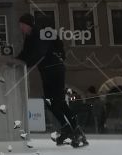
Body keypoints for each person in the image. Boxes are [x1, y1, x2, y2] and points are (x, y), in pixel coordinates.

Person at [17, 13, 87, 147]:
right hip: (47, 70)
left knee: (57, 102)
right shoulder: (30, 37)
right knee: (53, 102)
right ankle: (69, 128)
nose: (21, 28)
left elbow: (39, 53)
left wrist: (25, 64)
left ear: (28, 24)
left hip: (54, 70)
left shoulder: (39, 34)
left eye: (22, 25)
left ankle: (74, 130)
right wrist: (15, 62)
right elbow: (25, 53)